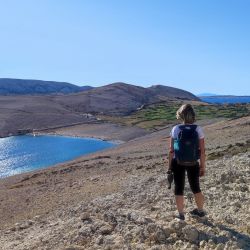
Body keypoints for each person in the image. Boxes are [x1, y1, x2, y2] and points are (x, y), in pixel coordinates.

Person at [168, 104, 206, 220]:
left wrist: (169, 167)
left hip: (178, 162)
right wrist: (202, 167)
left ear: (180, 115)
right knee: (196, 187)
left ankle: (180, 215)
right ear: (193, 115)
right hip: (193, 162)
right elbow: (203, 151)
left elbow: (171, 151)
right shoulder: (198, 129)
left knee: (179, 187)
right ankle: (200, 211)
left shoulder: (176, 129)